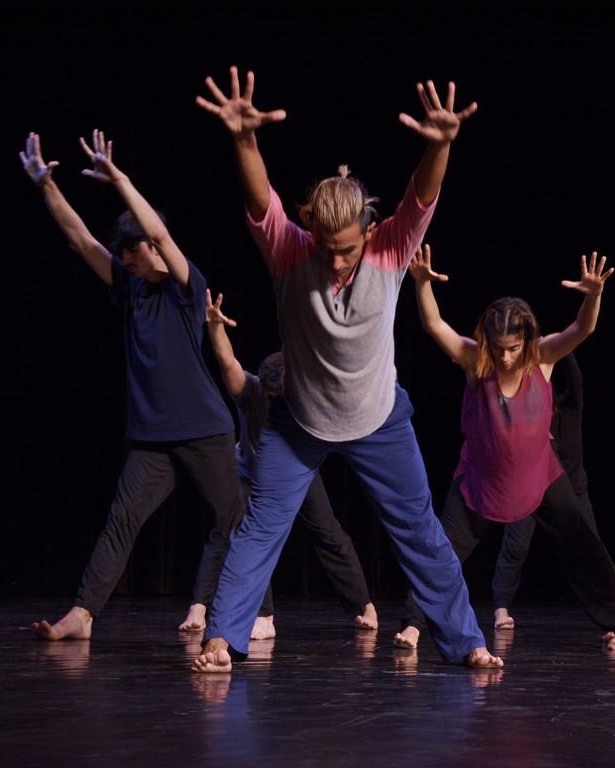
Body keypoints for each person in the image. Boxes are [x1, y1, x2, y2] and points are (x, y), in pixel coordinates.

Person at [190, 67, 499, 672]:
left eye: (349, 248)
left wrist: (439, 145)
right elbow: (261, 202)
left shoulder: (389, 247)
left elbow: (421, 199)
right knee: (257, 530)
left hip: (379, 418)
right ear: (310, 229)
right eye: (327, 247)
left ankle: (468, 642)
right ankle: (222, 639)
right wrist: (245, 140)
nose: (337, 260)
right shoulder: (290, 254)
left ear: (369, 232)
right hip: (299, 423)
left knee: (421, 534)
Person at [20, 130, 245, 642]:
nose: (122, 257)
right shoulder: (130, 288)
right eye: (119, 252)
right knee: (121, 520)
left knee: (236, 521)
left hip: (205, 430)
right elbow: (80, 239)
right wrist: (46, 185)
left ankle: (258, 613)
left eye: (129, 249)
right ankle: (83, 615)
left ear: (148, 245)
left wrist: (119, 178)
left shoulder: (190, 288)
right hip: (152, 436)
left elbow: (163, 240)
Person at [394, 246, 615, 651]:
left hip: (539, 476)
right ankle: (416, 624)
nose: (506, 356)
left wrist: (593, 295)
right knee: (440, 551)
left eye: (513, 347)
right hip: (480, 479)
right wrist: (421, 284)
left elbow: (582, 330)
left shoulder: (541, 358)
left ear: (527, 339)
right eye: (499, 347)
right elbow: (435, 326)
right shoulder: (476, 361)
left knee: (584, 545)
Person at [193, 290, 379, 637]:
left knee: (328, 531)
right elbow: (228, 362)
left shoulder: (303, 393)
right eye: (271, 397)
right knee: (250, 537)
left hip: (298, 471)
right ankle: (262, 616)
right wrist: (216, 329)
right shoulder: (252, 390)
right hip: (251, 475)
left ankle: (363, 604)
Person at [490, 353, 598, 631]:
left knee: (591, 547)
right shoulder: (525, 413)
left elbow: (576, 381)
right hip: (529, 489)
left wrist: (563, 349)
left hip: (572, 490)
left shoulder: (570, 405)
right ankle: (501, 608)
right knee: (515, 547)